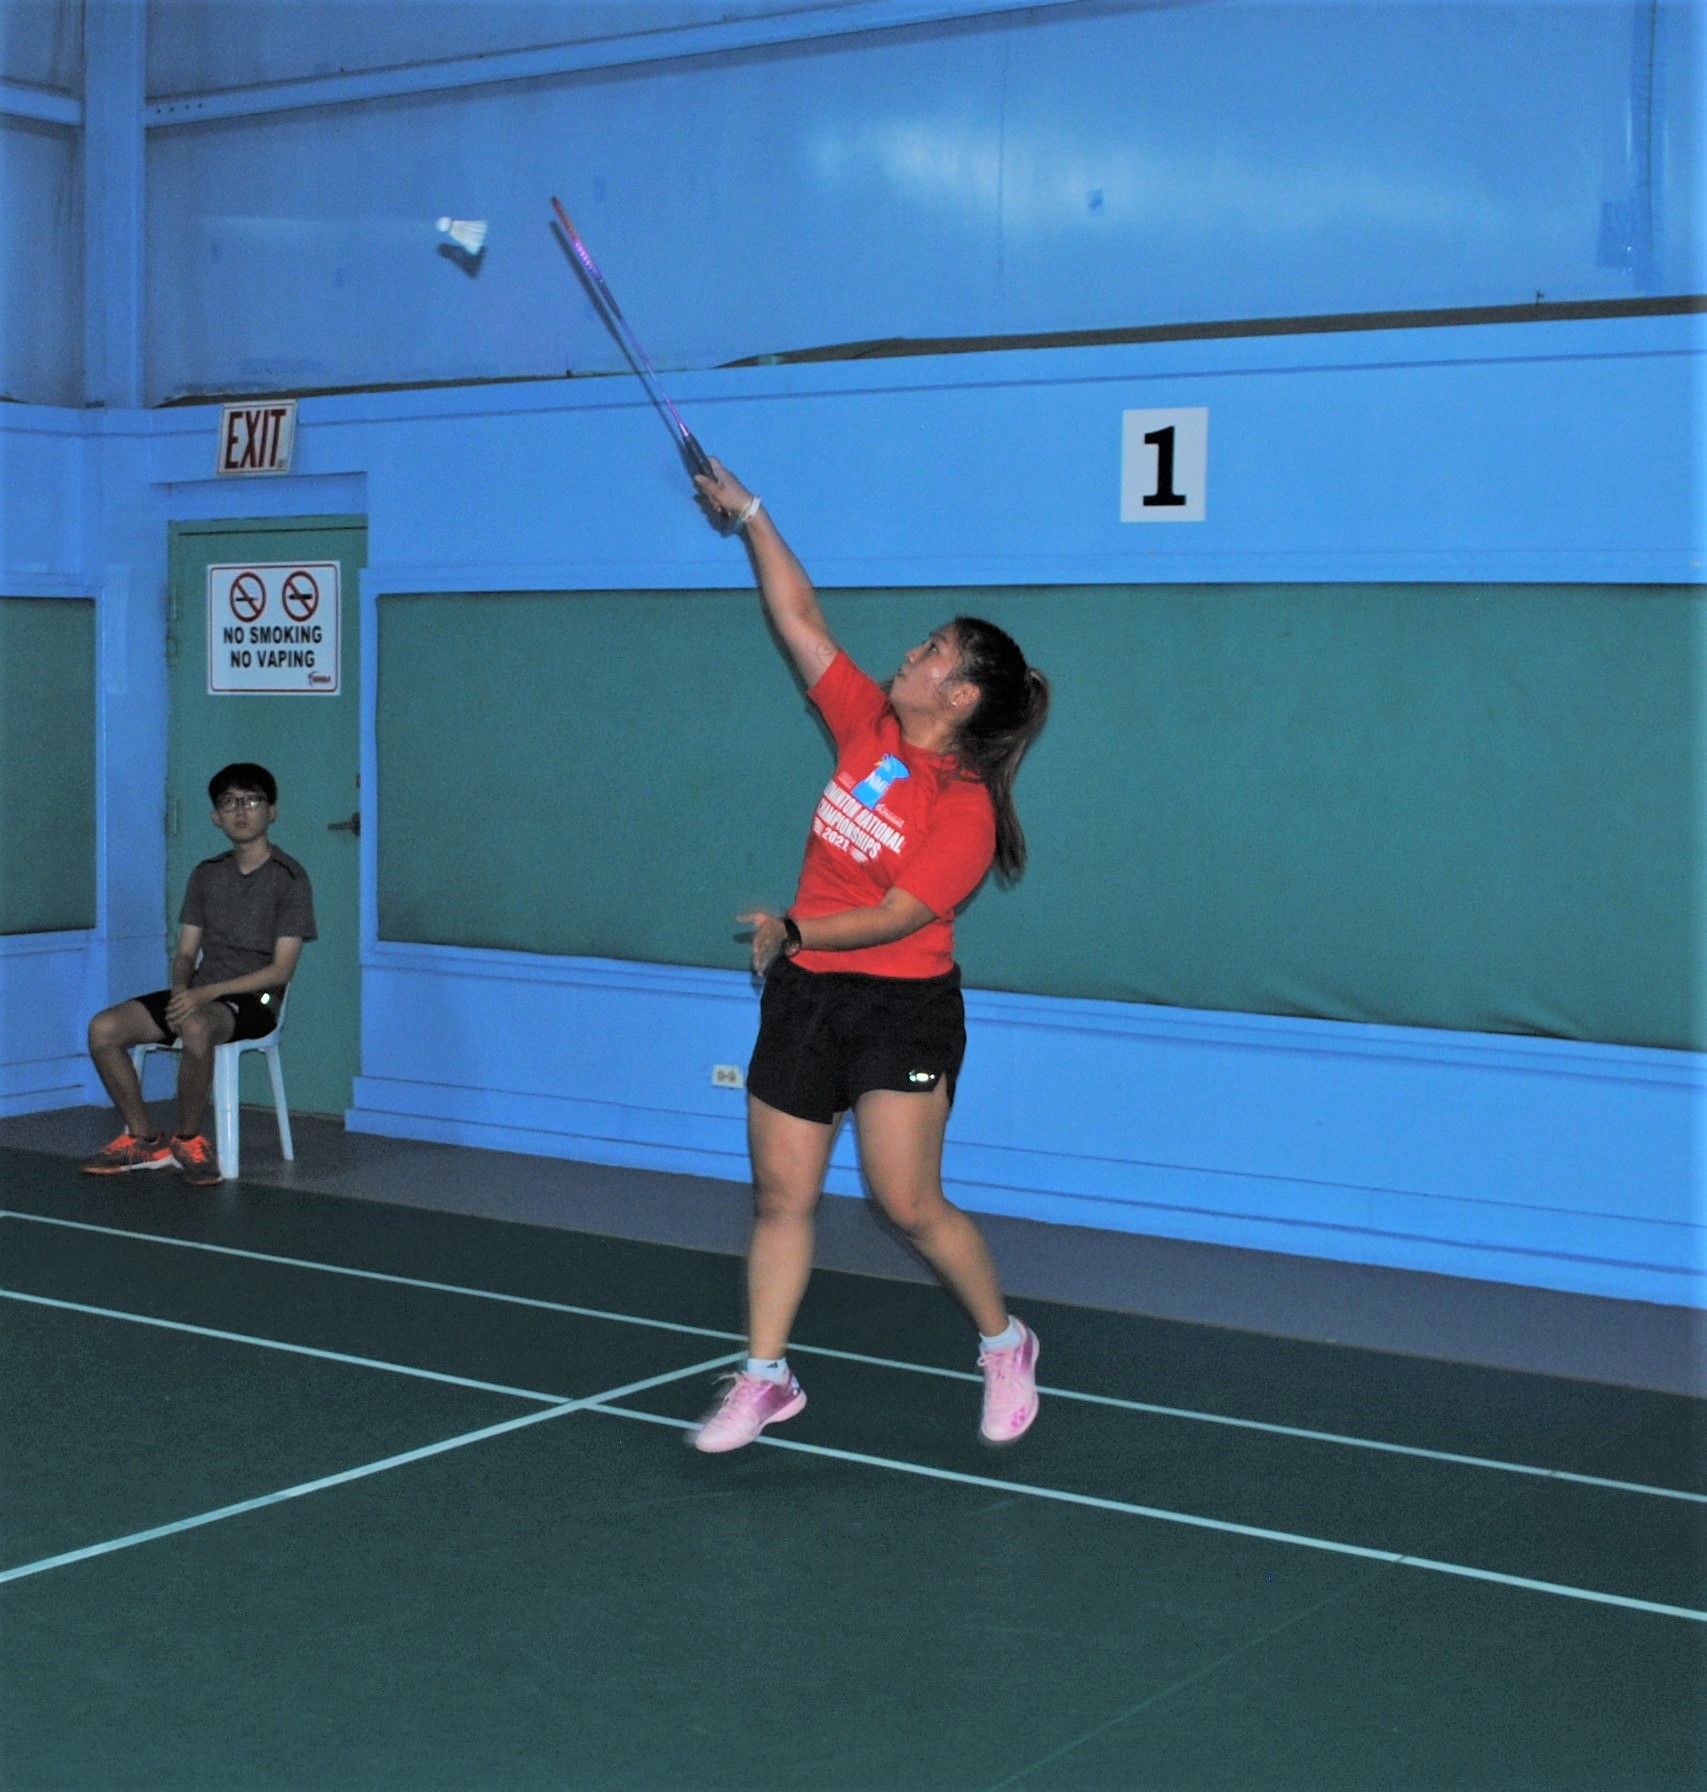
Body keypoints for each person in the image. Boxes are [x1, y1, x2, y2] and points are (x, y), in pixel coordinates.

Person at [687, 461, 1051, 1454]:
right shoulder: (868, 724)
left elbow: (896, 915)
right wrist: (753, 513)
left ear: (964, 692)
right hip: (808, 997)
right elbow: (798, 614)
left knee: (908, 1202)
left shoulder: (965, 809)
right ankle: (766, 1376)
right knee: (782, 1196)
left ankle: (1005, 1340)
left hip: (903, 1012)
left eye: (932, 650)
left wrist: (797, 931)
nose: (910, 652)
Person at [80, 762, 316, 1188]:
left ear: (272, 811)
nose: (240, 811)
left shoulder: (291, 878)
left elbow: (281, 969)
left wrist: (202, 996)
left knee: (195, 1024)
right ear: (215, 817)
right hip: (202, 992)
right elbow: (186, 950)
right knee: (104, 1029)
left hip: (259, 999)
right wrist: (181, 989)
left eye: (251, 801)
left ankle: (189, 1139)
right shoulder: (207, 874)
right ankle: (144, 1139)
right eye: (228, 803)